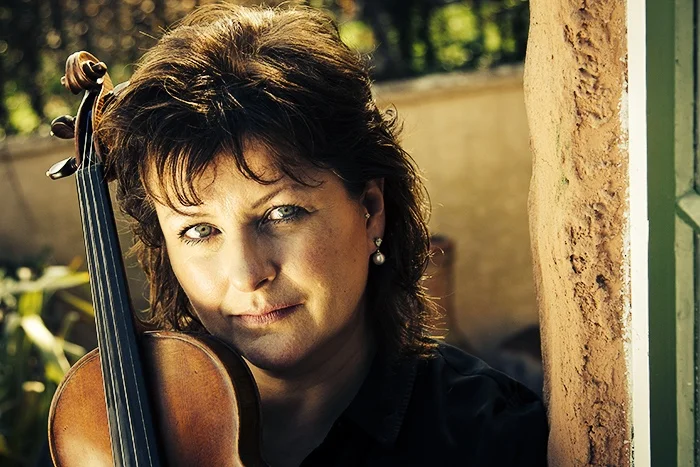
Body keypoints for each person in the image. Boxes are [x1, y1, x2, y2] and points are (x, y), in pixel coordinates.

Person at [97, 3, 548, 466]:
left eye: (281, 213)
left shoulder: (489, 437)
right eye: (199, 230)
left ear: (371, 209)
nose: (247, 274)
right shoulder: (119, 433)